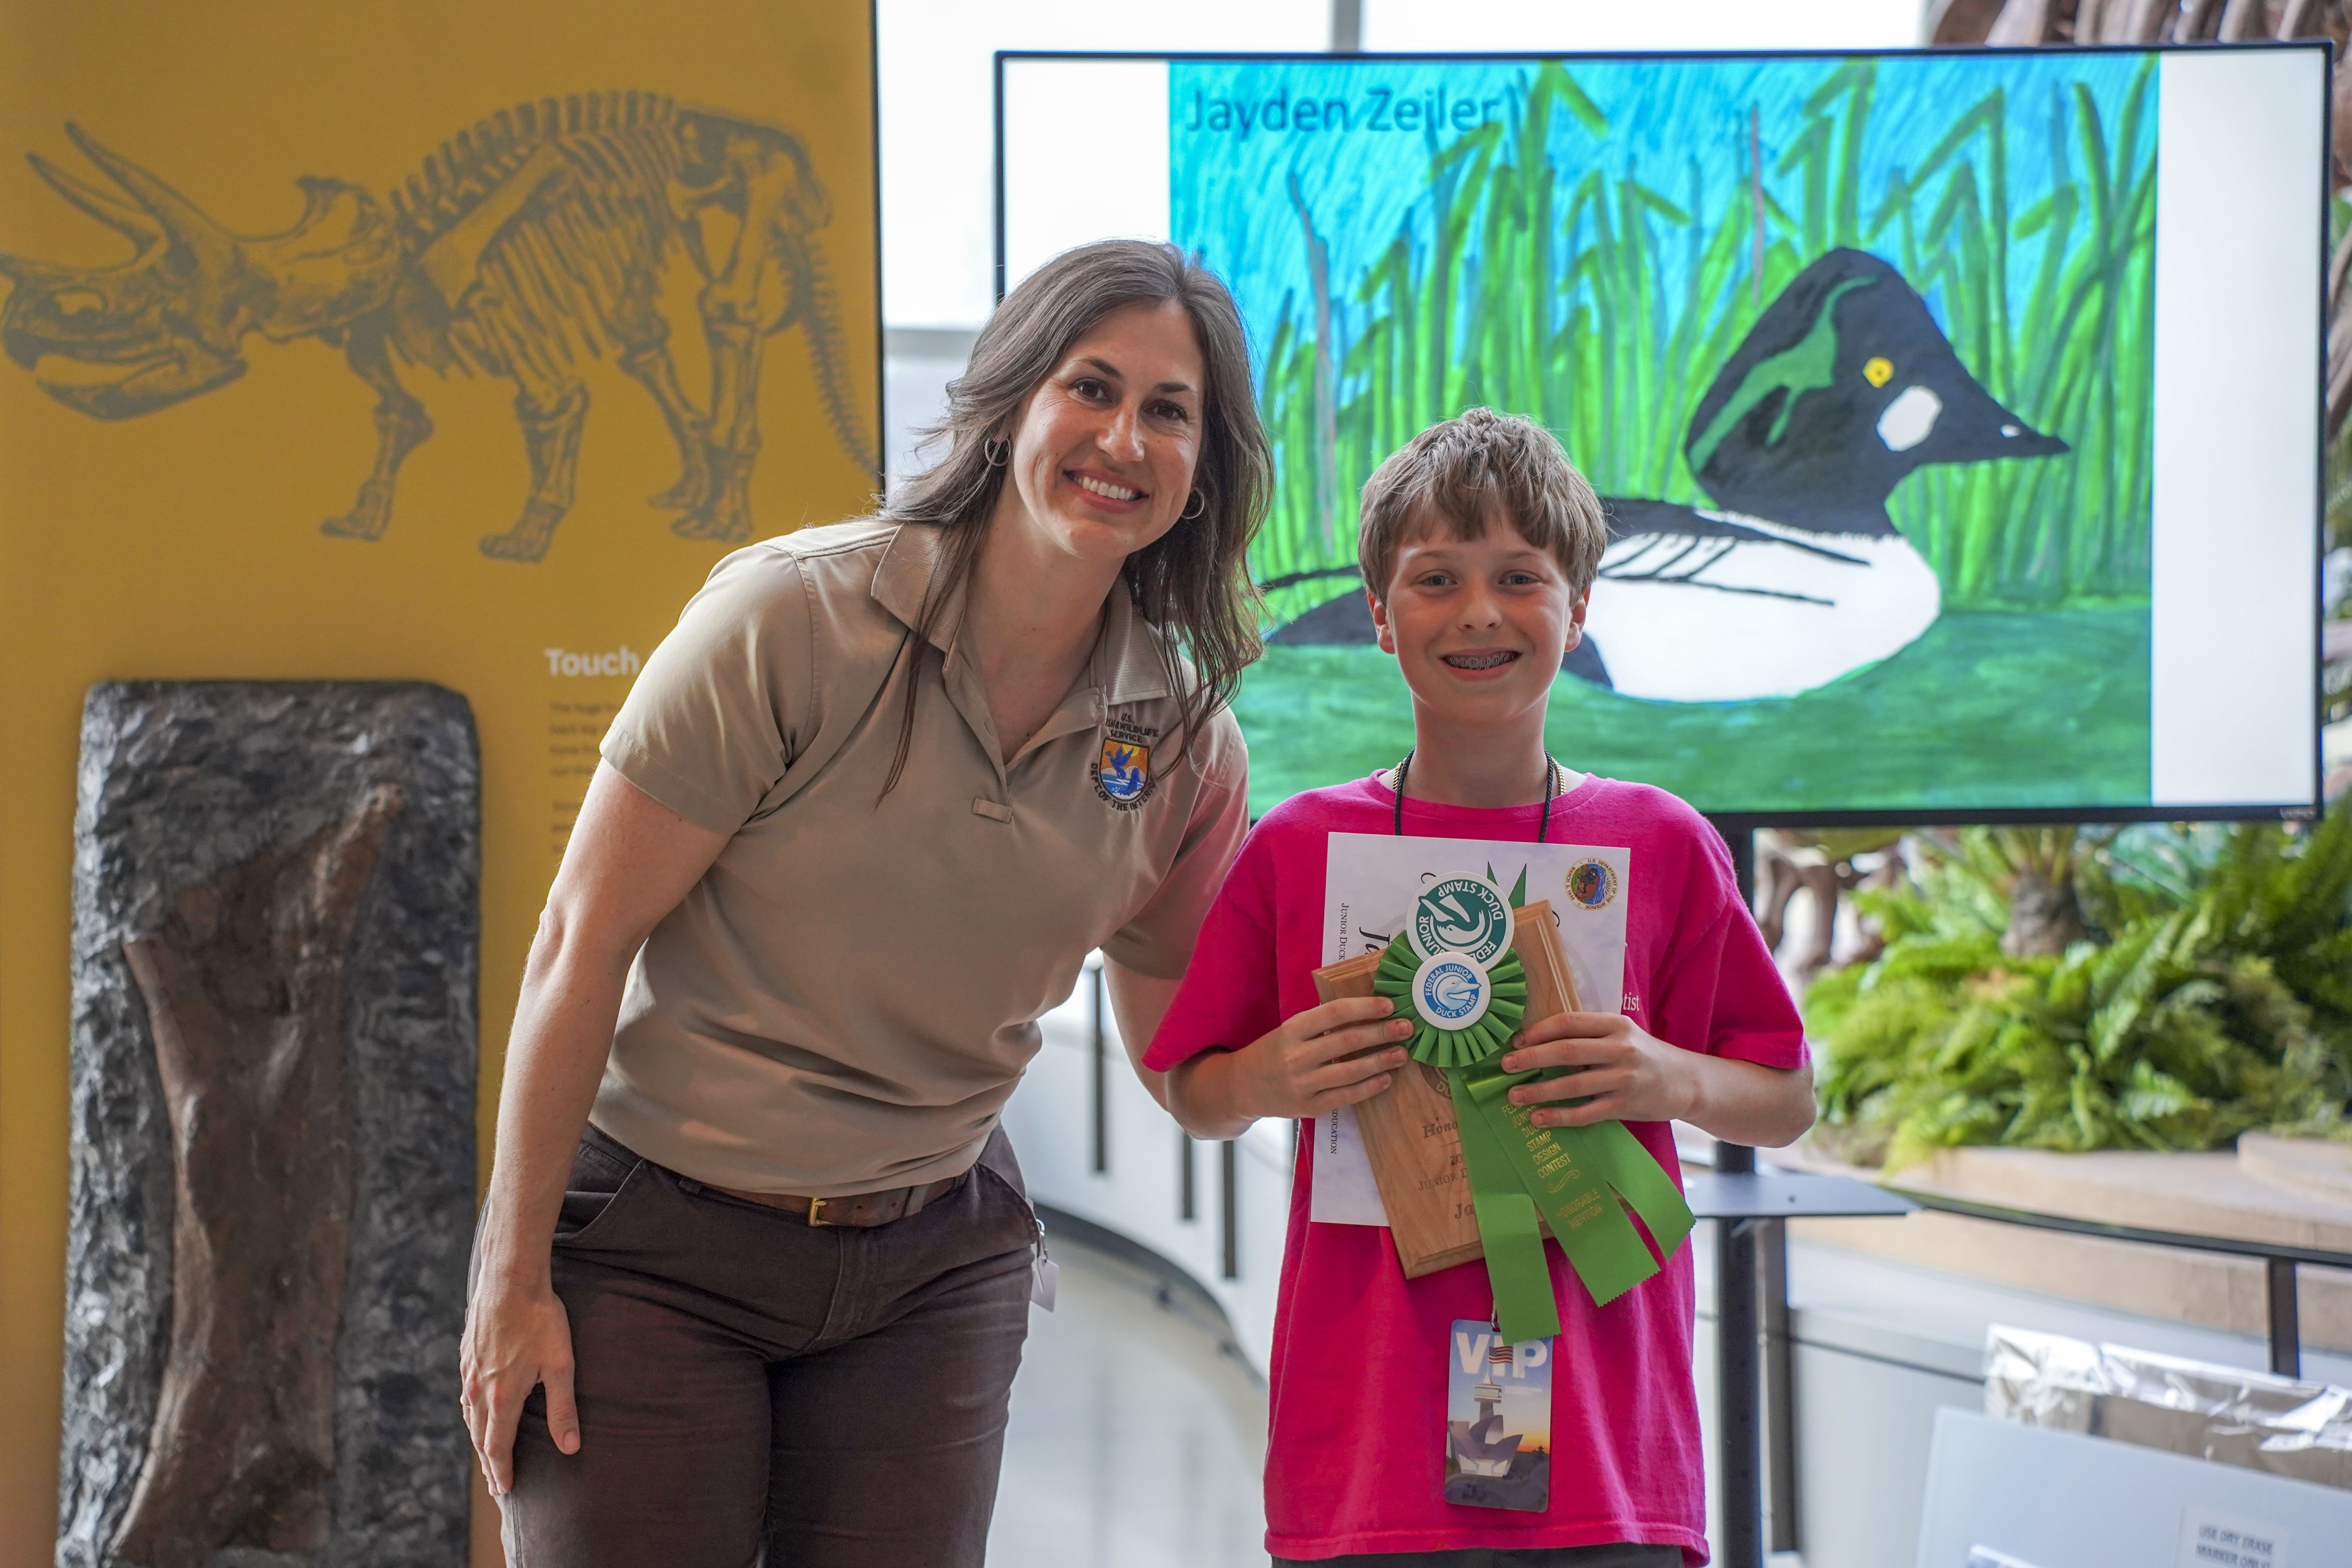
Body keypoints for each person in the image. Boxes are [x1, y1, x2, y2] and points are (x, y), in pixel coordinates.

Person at [459, 238, 1269, 1568]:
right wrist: (510, 1278)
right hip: (656, 1243)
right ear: (1010, 403)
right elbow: (578, 945)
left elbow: (1185, 1063)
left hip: (931, 1268)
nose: (1124, 438)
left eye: (1168, 411)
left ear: (1201, 470)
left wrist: (1343, 1060)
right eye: (1091, 387)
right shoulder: (791, 617)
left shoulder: (1184, 742)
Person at [1144, 408, 1816, 1566]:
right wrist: (1263, 1076)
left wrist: (1666, 1078)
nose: (1478, 613)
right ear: (1377, 612)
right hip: (1369, 1437)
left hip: (1605, 1437)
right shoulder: (1297, 847)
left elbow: (1786, 1098)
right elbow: (1194, 1091)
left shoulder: (1661, 844)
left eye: (1519, 577)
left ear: (1579, 608)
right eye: (1435, 579)